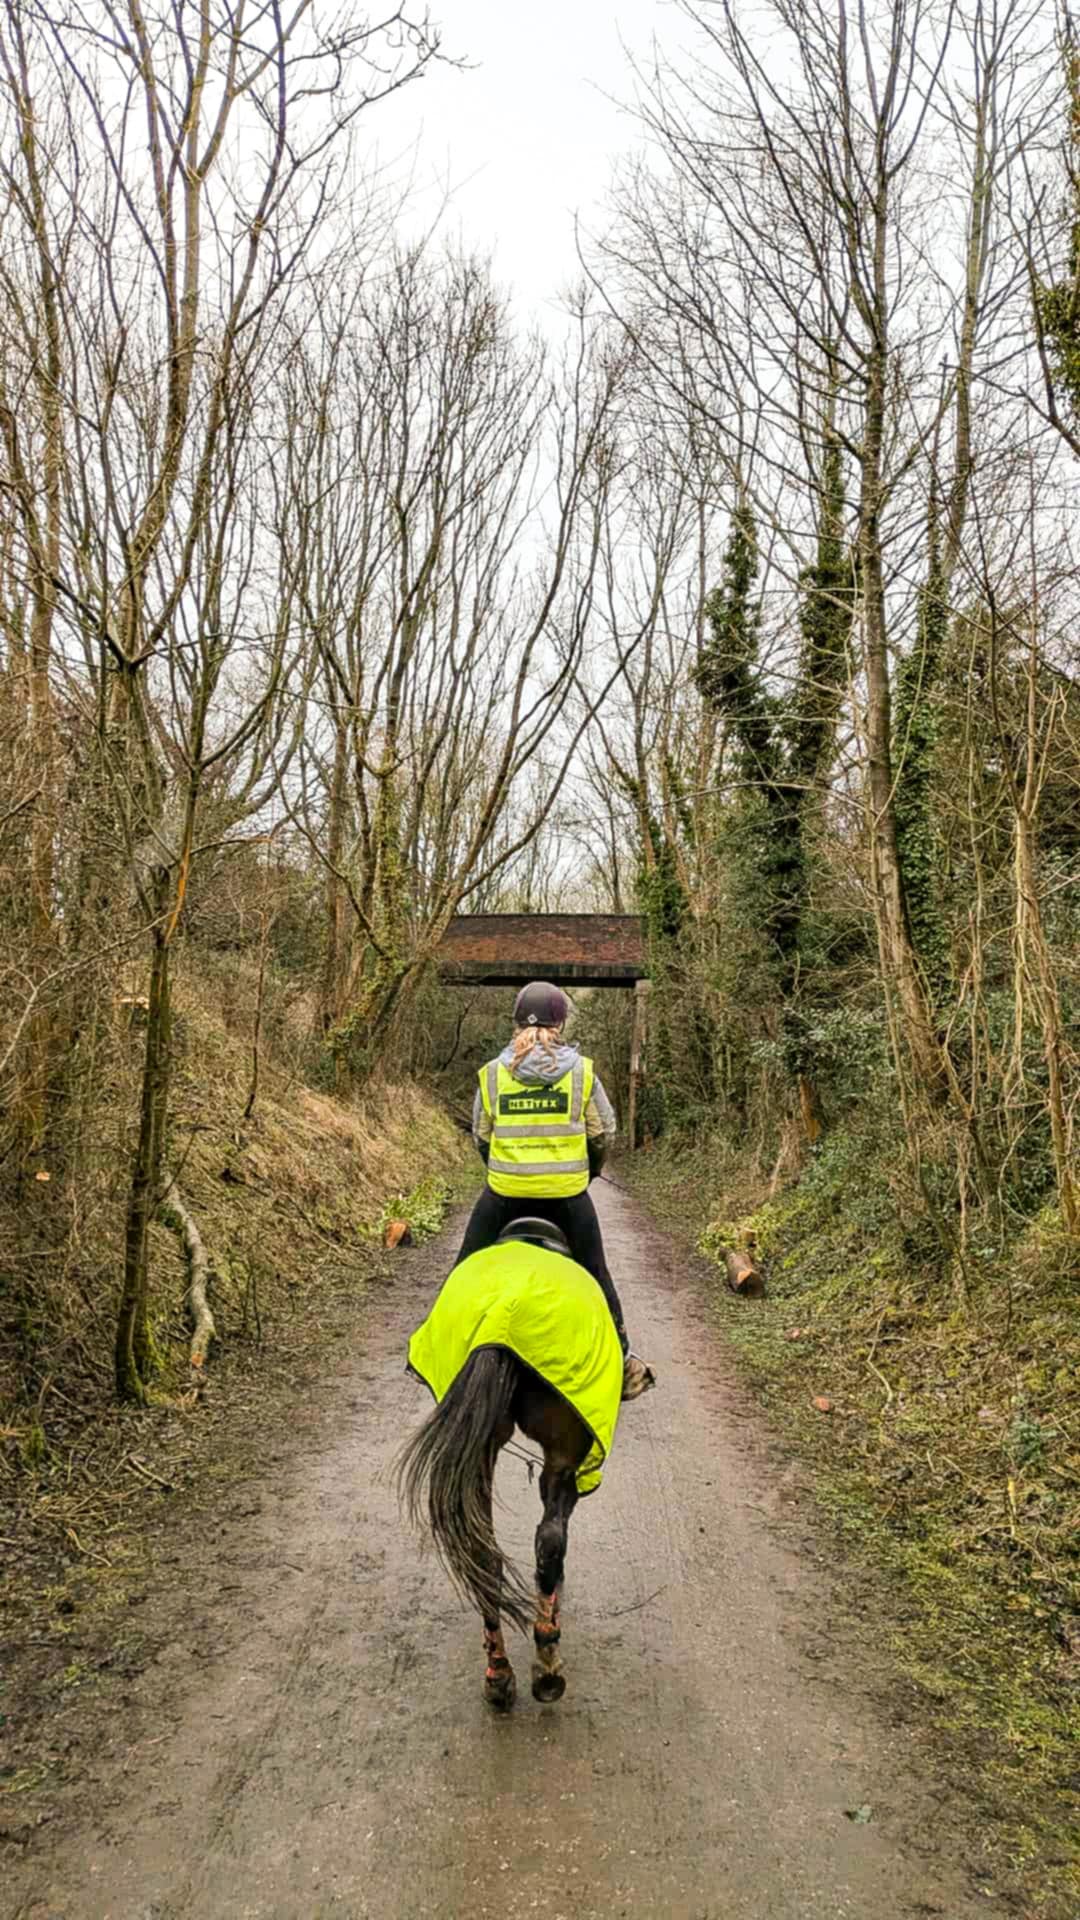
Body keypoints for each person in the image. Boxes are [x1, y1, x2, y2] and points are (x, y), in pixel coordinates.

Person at [456, 980, 654, 1400]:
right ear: (561, 1021)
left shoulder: (493, 1074)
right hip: (567, 1199)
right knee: (598, 1277)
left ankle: (442, 1352)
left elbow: (480, 1134)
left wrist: (505, 1168)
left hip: (503, 1197)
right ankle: (622, 1362)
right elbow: (604, 1132)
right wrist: (589, 1172)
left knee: (463, 1271)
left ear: (516, 1024)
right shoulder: (582, 1072)